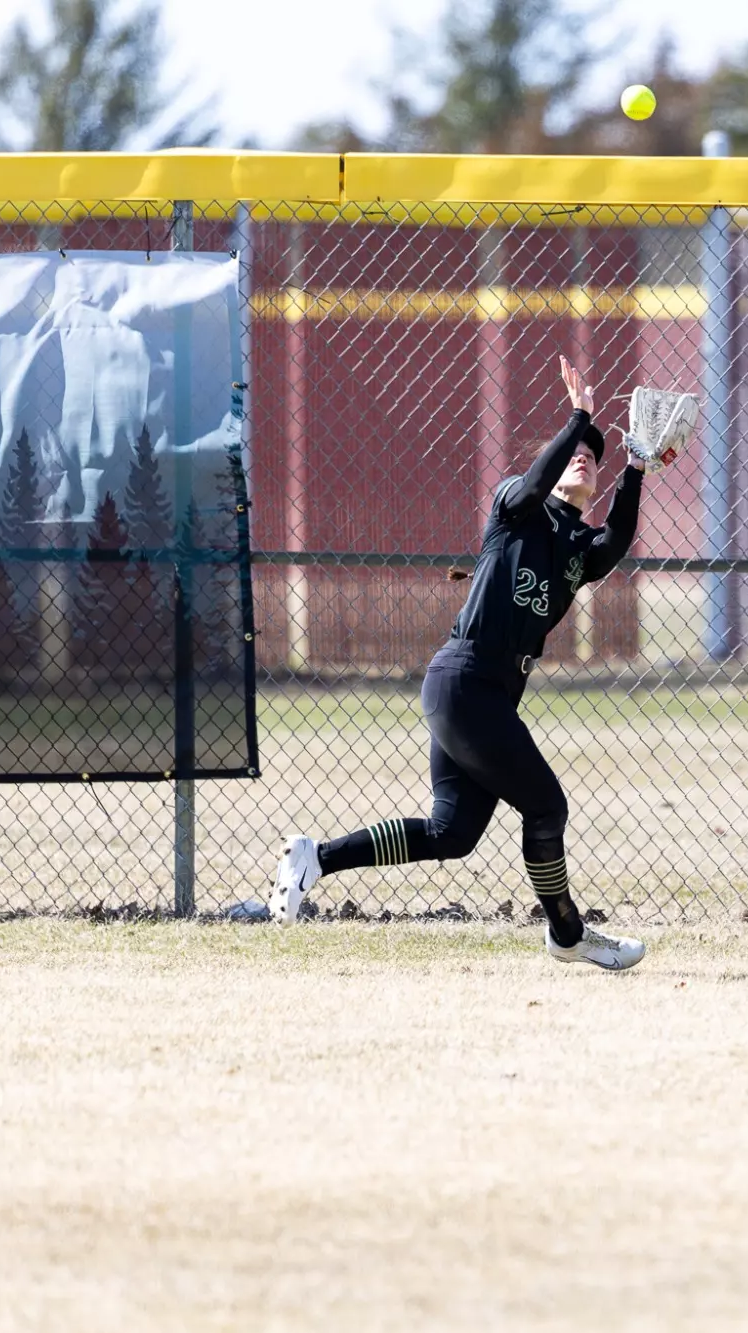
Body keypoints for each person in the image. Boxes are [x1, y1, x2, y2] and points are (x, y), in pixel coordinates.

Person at [268, 356, 653, 970]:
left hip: (484, 696)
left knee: (453, 833)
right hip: (464, 682)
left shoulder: (578, 550)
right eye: (574, 448)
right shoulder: (515, 509)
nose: (584, 454)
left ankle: (315, 858)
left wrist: (635, 467)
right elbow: (531, 484)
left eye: (593, 454)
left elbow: (614, 541)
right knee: (547, 807)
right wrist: (578, 414)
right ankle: (567, 932)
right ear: (552, 469)